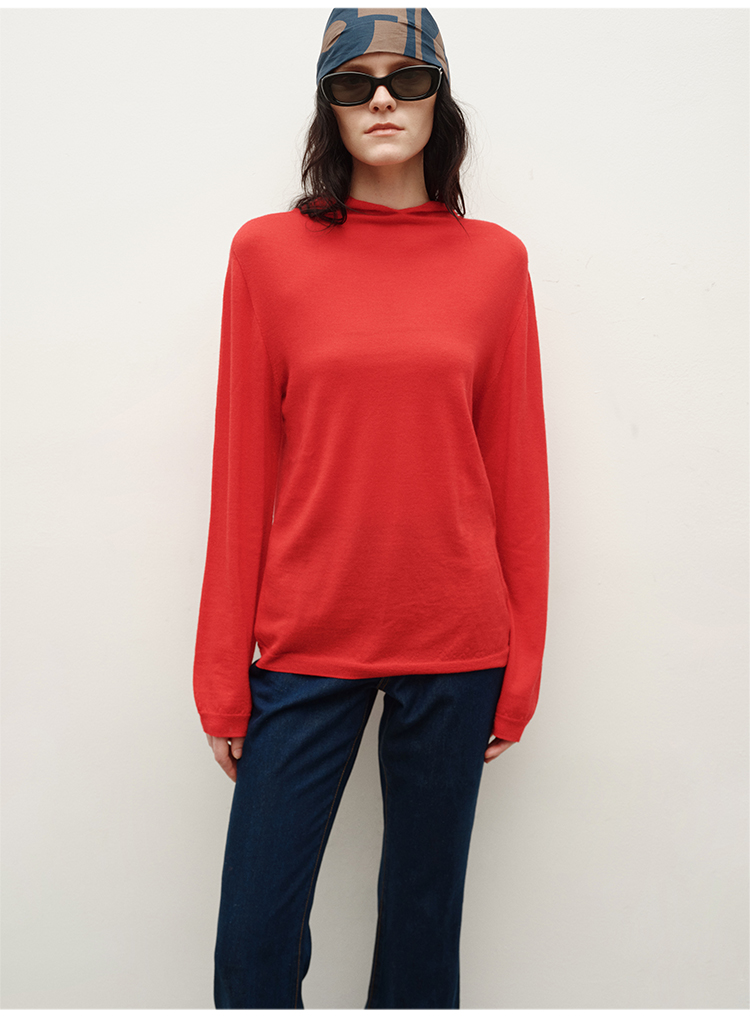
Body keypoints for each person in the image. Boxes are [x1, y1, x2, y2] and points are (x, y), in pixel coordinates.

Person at [193, 8, 549, 1009]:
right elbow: (242, 472)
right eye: (355, 83)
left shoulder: (496, 262)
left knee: (421, 946)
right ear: (330, 107)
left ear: (440, 100)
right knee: (252, 948)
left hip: (457, 641)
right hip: (306, 637)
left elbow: (517, 473)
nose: (383, 99)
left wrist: (521, 667)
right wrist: (222, 674)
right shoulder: (267, 255)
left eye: (407, 79)